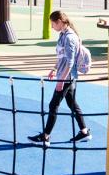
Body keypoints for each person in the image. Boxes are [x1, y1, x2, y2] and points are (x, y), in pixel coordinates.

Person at [28, 11, 90, 145]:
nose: (52, 27)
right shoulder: (63, 35)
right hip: (65, 75)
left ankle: (46, 136)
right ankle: (84, 132)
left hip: (66, 77)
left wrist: (61, 81)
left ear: (60, 22)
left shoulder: (69, 38)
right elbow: (62, 57)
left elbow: (70, 62)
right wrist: (54, 69)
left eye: (52, 24)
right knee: (72, 104)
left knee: (53, 105)